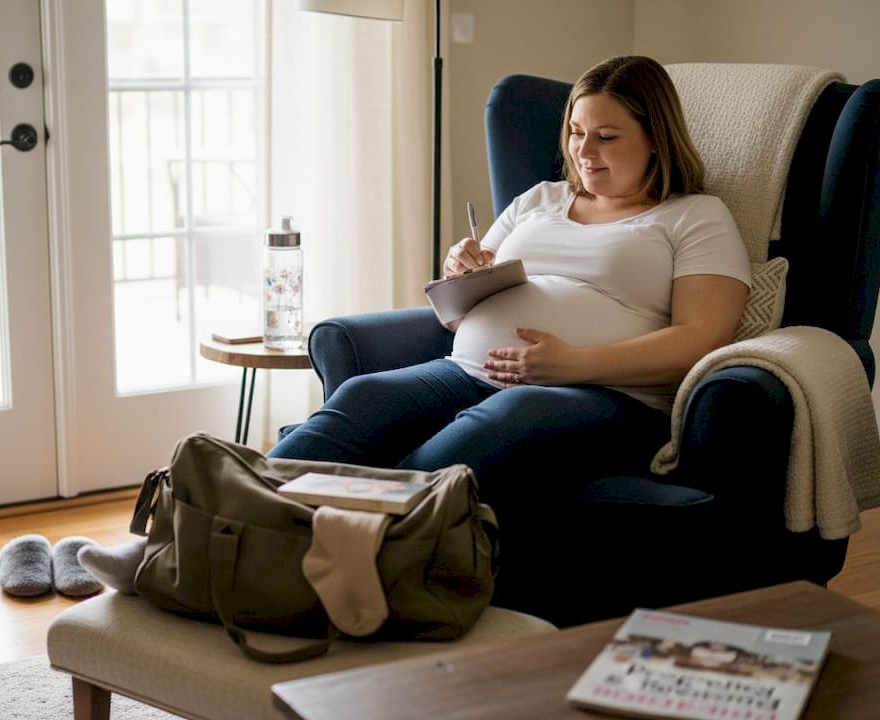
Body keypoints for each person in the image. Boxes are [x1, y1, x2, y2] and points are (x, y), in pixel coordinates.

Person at [78, 55, 750, 608]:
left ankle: (307, 572)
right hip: (469, 368)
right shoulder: (539, 201)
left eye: (607, 136)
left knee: (472, 439)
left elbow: (702, 337)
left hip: (607, 396)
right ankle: (173, 540)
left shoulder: (694, 217)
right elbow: (458, 310)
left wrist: (572, 363)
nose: (584, 151)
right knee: (362, 401)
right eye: (577, 133)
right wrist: (462, 272)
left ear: (655, 138)